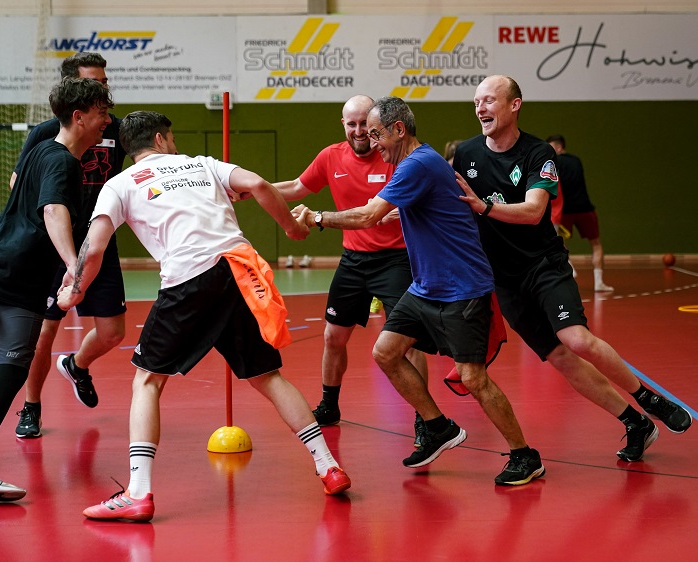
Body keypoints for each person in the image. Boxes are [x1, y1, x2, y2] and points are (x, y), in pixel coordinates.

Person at [57, 110, 351, 522]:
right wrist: (291, 228)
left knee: (147, 380)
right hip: (239, 271)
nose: (174, 143)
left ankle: (138, 493)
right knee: (268, 377)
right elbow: (258, 184)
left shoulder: (119, 185)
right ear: (160, 139)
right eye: (171, 137)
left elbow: (96, 244)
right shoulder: (202, 164)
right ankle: (328, 466)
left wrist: (75, 288)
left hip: (188, 279)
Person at [292, 96, 544, 486]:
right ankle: (437, 426)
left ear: (398, 129)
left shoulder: (416, 164)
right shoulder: (416, 165)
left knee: (474, 378)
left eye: (376, 134)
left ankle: (524, 455)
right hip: (426, 286)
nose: (373, 143)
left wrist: (318, 217)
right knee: (386, 351)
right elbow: (397, 209)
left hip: (461, 286)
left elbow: (366, 216)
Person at [454, 75, 692, 463]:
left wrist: (484, 206)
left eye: (489, 100)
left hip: (543, 265)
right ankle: (636, 423)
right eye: (476, 101)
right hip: (505, 279)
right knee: (560, 357)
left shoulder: (538, 153)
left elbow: (533, 212)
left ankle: (649, 399)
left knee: (576, 339)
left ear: (514, 105)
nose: (480, 108)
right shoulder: (466, 154)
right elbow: (447, 202)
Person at [0, 77, 114, 501]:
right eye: (102, 112)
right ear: (79, 115)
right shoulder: (62, 161)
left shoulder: (41, 152)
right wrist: (73, 264)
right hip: (17, 274)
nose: (107, 121)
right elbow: (52, 209)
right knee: (12, 365)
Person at [273, 95, 428, 446]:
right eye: (352, 124)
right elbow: (298, 188)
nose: (360, 132)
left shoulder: (394, 156)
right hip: (354, 261)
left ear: (377, 127)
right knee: (333, 337)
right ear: (343, 124)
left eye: (366, 125)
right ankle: (329, 405)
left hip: (397, 259)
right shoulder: (331, 156)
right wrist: (252, 190)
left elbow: (412, 202)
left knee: (409, 342)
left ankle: (425, 418)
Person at [11, 53, 127, 440]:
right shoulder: (47, 134)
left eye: (105, 81)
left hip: (99, 240)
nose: (104, 88)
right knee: (44, 333)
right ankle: (31, 407)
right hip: (54, 246)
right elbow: (19, 183)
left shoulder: (115, 128)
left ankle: (77, 365)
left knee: (112, 332)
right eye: (95, 83)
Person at [546, 134, 613, 291]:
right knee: (596, 244)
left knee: (558, 242)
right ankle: (599, 282)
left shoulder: (552, 163)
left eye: (551, 147)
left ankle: (569, 265)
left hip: (565, 211)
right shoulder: (576, 161)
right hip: (585, 208)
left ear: (559, 147)